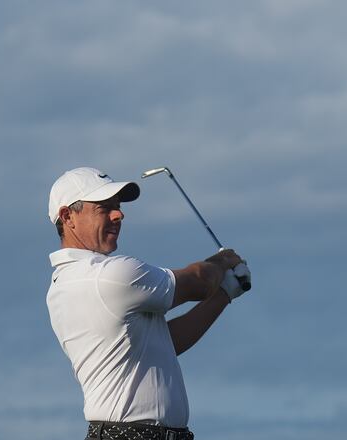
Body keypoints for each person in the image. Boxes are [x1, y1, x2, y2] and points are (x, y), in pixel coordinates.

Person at [45, 167, 252, 440]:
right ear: (67, 216)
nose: (118, 215)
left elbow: (168, 341)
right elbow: (198, 282)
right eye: (104, 208)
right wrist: (223, 261)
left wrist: (225, 293)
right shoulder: (109, 276)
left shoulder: (64, 285)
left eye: (117, 207)